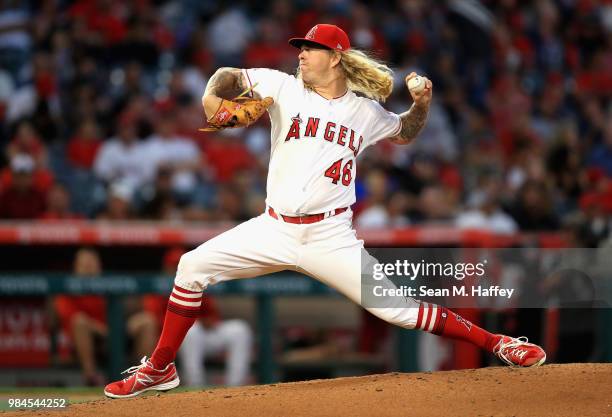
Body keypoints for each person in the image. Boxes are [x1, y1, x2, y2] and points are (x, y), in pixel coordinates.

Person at [104, 24, 546, 399]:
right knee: (190, 266)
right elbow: (224, 77)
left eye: (309, 49)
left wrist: (422, 104)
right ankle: (160, 368)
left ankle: (500, 343)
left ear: (335, 57)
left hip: (330, 237)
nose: (301, 55)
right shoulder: (281, 86)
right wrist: (212, 101)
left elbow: (405, 132)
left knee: (399, 311)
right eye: (299, 48)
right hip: (273, 227)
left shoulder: (364, 111)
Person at [142, 247, 253, 387]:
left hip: (203, 336)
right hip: (176, 342)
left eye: (180, 266)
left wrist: (210, 321)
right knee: (192, 330)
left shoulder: (196, 282)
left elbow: (212, 314)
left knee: (239, 329)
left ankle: (236, 385)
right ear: (166, 267)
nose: (177, 270)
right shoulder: (158, 288)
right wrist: (195, 322)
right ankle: (195, 385)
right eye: (174, 266)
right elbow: (157, 321)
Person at [55, 248, 157, 386]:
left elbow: (127, 310)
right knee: (80, 321)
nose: (89, 269)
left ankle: (142, 377)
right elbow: (71, 320)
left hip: (115, 333)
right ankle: (91, 377)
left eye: (92, 264)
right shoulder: (67, 287)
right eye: (85, 265)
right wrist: (104, 331)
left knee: (147, 320)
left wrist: (120, 326)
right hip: (89, 341)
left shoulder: (109, 284)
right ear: (76, 268)